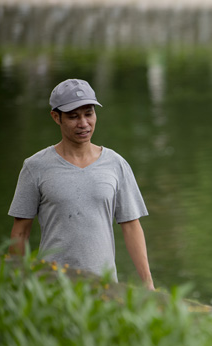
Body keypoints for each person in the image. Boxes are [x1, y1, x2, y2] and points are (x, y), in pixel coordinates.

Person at [8, 78, 154, 290]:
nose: (84, 123)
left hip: (104, 288)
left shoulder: (116, 164)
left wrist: (148, 284)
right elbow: (20, 232)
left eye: (89, 114)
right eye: (73, 116)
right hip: (51, 286)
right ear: (56, 117)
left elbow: (131, 226)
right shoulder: (35, 167)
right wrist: (17, 284)